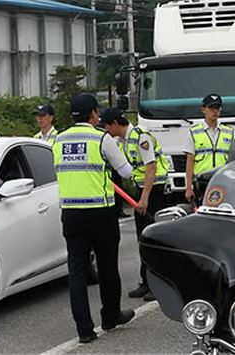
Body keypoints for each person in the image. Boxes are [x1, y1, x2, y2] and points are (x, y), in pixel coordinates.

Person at [52, 93, 135, 343]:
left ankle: (84, 330)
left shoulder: (57, 140)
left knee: (77, 272)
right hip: (100, 212)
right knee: (108, 266)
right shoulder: (102, 139)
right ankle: (110, 316)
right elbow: (127, 172)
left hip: (71, 214)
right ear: (94, 114)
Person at [100, 108, 171, 301]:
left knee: (153, 239)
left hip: (154, 190)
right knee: (143, 238)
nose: (105, 130)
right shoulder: (122, 140)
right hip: (142, 191)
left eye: (106, 126)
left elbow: (151, 167)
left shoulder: (141, 137)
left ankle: (159, 285)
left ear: (115, 123)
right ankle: (146, 282)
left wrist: (144, 198)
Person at [184, 94, 234, 203]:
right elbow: (190, 161)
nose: (215, 111)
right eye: (211, 108)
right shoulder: (194, 132)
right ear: (203, 110)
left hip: (223, 181)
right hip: (202, 183)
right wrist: (188, 188)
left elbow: (232, 159)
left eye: (217, 108)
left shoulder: (228, 131)